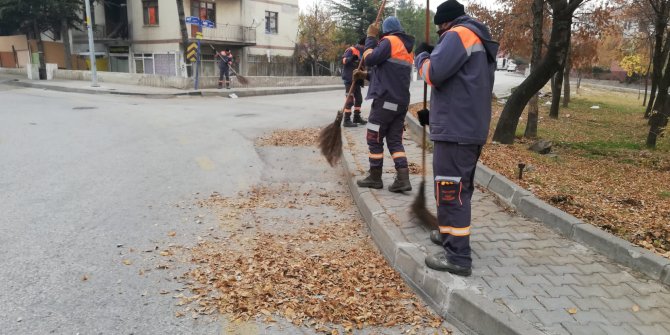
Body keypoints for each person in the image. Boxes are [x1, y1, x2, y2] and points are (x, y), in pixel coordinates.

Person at [414, 0, 498, 276]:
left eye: (440, 31)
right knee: (459, 190)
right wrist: (435, 116)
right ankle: (451, 236)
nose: (440, 36)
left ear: (444, 23)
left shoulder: (458, 34)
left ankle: (458, 257)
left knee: (451, 193)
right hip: (467, 128)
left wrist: (422, 58)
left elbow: (435, 73)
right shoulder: (478, 39)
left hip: (456, 132)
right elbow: (462, 87)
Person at [354, 16, 414, 193]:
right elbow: (388, 76)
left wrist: (370, 38)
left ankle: (375, 177)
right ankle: (403, 178)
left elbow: (370, 59)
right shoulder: (406, 48)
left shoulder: (389, 41)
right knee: (395, 140)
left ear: (385, 31)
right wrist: (364, 76)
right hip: (400, 103)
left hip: (385, 102)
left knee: (374, 136)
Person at [340, 38, 367, 127]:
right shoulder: (351, 50)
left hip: (357, 79)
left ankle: (356, 117)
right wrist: (352, 58)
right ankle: (346, 120)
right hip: (349, 79)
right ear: (362, 45)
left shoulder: (362, 53)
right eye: (365, 46)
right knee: (350, 99)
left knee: (359, 99)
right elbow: (344, 61)